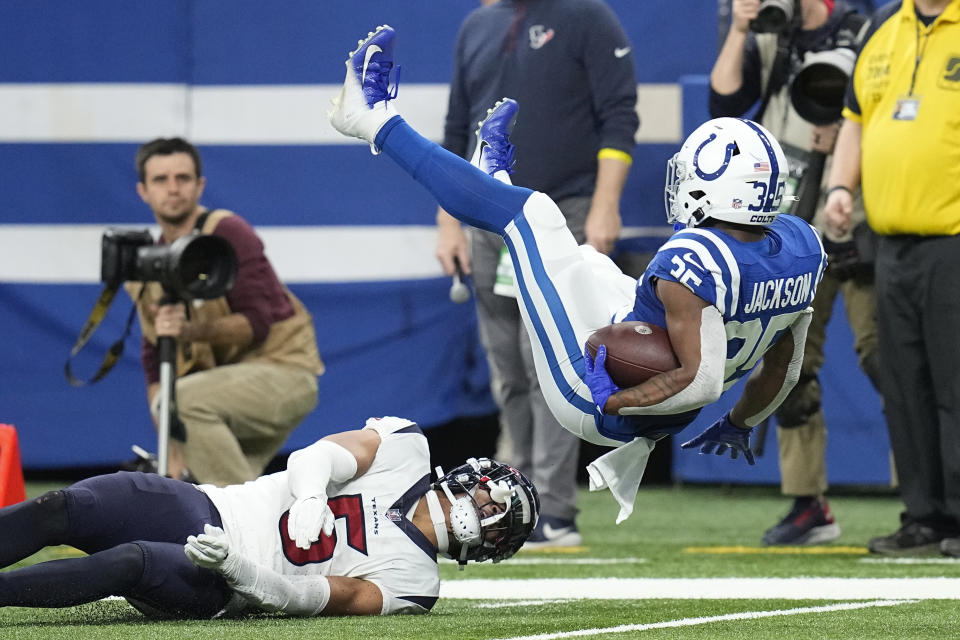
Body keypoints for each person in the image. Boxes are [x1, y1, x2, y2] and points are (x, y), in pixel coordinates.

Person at [328, 25, 827, 524]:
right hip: (662, 392)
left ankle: (372, 121)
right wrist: (742, 422)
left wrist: (616, 401)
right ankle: (489, 182)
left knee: (530, 218)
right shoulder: (801, 246)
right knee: (585, 260)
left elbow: (701, 380)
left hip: (594, 396)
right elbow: (786, 363)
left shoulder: (695, 259)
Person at [434, 0, 640, 547]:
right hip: (485, 217)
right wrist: (448, 220)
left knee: (548, 361)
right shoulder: (478, 25)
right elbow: (458, 129)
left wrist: (605, 204)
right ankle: (507, 499)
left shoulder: (589, 17)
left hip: (560, 212)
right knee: (506, 367)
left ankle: (553, 507)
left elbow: (619, 114)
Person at [0, 416, 539, 617]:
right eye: (495, 499)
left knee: (131, 561)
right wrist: (309, 498)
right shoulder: (408, 449)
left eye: (501, 519)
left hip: (223, 580)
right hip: (212, 504)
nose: (489, 513)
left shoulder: (416, 585)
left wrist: (239, 570)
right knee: (65, 507)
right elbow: (316, 456)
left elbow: (312, 599)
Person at [709, 0, 877, 546]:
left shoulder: (863, 28)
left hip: (861, 215)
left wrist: (854, 142)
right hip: (793, 224)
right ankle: (810, 503)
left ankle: (937, 495)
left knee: (889, 358)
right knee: (788, 361)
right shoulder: (768, 33)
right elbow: (724, 103)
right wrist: (740, 27)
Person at [824, 0, 960, 556]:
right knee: (905, 387)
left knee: (955, 383)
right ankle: (924, 517)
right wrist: (839, 187)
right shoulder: (882, 26)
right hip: (891, 241)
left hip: (952, 236)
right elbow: (857, 118)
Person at [128, 137, 324, 485]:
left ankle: (247, 527)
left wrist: (188, 332)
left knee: (185, 406)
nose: (173, 189)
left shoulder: (226, 232)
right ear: (143, 191)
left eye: (183, 178)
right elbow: (154, 364)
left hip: (283, 372)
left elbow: (257, 324)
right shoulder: (152, 261)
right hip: (220, 392)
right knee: (212, 493)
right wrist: (173, 451)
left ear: (200, 185)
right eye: (161, 180)